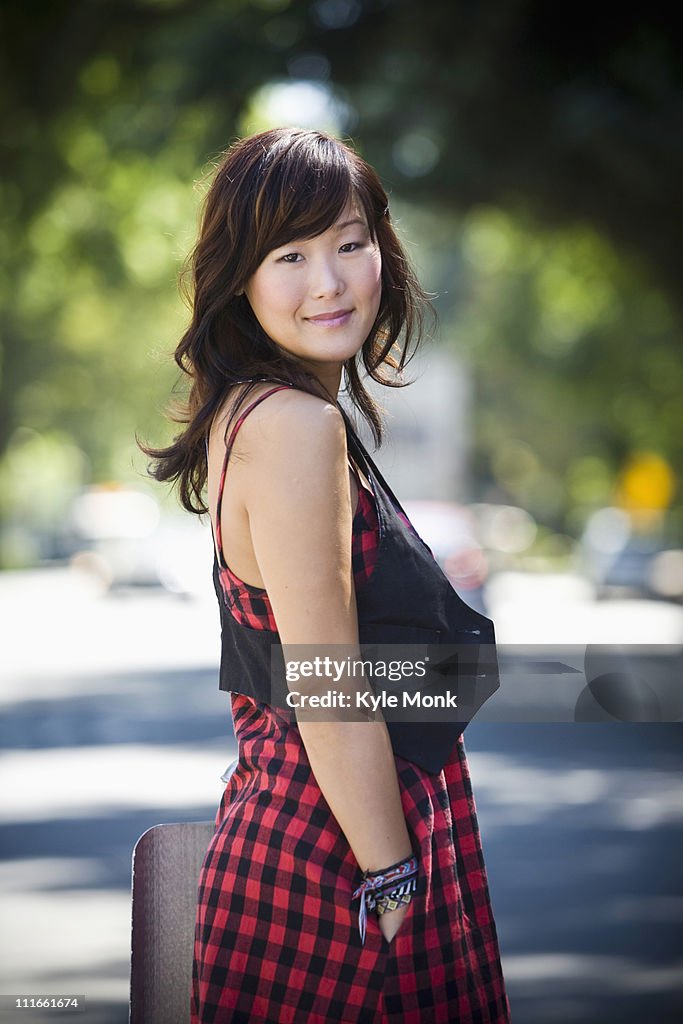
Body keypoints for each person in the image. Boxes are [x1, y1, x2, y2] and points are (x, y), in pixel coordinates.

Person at [141, 127, 511, 1024]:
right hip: (338, 860)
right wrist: (391, 877)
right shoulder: (294, 429)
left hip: (321, 834)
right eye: (290, 254)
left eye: (350, 243)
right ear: (240, 276)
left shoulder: (252, 416)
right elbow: (324, 679)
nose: (329, 282)